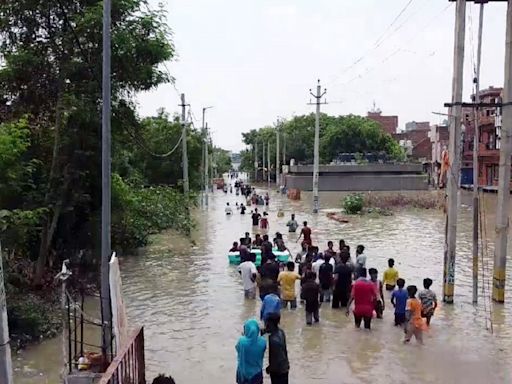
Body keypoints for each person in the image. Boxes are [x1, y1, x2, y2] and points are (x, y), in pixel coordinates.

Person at [236, 319, 266, 384]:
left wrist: (244, 336)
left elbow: (237, 348)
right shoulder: (263, 342)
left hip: (243, 373)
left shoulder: (242, 341)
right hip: (257, 374)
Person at [265, 313, 289, 384]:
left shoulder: (273, 340)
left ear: (270, 323)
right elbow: (284, 350)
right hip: (284, 367)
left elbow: (276, 360)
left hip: (278, 371)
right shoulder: (281, 332)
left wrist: (269, 368)